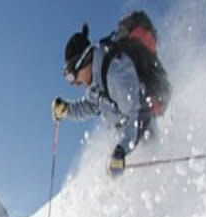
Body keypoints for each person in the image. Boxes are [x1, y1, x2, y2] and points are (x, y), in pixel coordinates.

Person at [52, 23, 154, 177]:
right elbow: (88, 106)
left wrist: (121, 150)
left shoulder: (114, 76)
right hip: (127, 144)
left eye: (72, 76)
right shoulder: (97, 82)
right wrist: (67, 110)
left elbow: (137, 114)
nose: (73, 83)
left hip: (145, 139)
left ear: (84, 61)